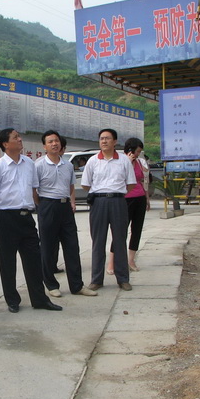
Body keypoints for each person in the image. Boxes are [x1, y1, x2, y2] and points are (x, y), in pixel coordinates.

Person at [0, 128, 62, 313]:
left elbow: (34, 189)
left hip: (27, 217)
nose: (20, 139)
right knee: (7, 261)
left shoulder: (29, 163)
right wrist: (7, 206)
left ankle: (40, 299)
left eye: (19, 136)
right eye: (16, 137)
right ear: (5, 144)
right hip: (6, 218)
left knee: (34, 259)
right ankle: (12, 300)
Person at [35, 130, 96, 298]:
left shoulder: (68, 165)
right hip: (47, 206)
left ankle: (77, 286)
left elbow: (70, 186)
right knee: (48, 247)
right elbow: (33, 190)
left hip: (65, 207)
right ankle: (51, 284)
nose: (54, 144)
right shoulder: (38, 165)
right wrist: (43, 206)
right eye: (50, 141)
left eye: (56, 141)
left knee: (72, 246)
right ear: (44, 146)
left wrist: (70, 202)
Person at [81, 128, 136, 292]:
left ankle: (123, 279)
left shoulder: (124, 160)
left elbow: (131, 184)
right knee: (98, 241)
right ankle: (96, 280)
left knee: (119, 240)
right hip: (98, 202)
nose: (104, 141)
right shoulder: (93, 161)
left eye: (107, 138)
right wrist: (101, 192)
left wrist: (117, 192)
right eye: (101, 138)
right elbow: (85, 184)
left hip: (118, 201)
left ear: (115, 141)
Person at [106, 138, 150, 274]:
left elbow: (143, 180)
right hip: (125, 199)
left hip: (140, 197)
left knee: (137, 229)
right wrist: (129, 162)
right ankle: (112, 262)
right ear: (130, 149)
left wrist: (147, 198)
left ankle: (131, 260)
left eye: (140, 152)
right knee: (120, 230)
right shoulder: (120, 161)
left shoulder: (139, 162)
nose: (138, 154)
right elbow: (117, 178)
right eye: (137, 151)